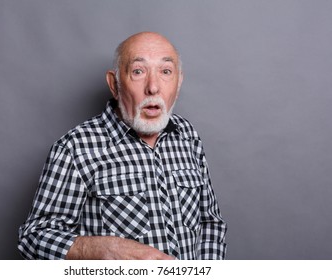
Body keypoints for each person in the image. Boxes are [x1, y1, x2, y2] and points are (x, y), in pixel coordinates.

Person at [18, 32, 227, 260]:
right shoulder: (75, 148)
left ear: (179, 82)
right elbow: (33, 238)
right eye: (138, 71)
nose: (153, 87)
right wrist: (102, 249)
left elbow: (210, 223)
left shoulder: (188, 136)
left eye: (166, 71)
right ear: (114, 84)